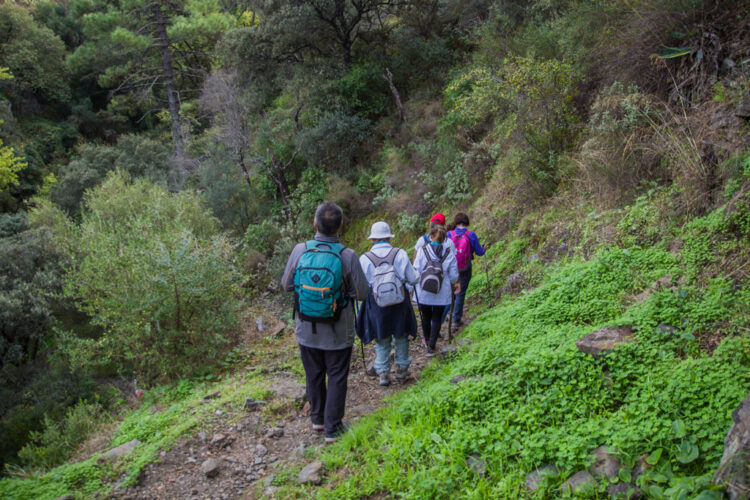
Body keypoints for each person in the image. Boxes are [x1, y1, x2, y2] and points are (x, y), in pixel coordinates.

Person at [281, 201, 369, 443]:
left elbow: (286, 285)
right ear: (341, 225)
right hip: (338, 332)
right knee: (337, 375)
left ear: (315, 223)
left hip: (306, 329)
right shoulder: (348, 256)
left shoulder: (300, 250)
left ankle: (317, 420)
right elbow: (362, 293)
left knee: (314, 374)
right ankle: (333, 427)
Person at [356, 221, 419, 387]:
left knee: (381, 339)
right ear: (389, 237)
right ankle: (402, 371)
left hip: (377, 305)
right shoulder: (400, 253)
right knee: (401, 336)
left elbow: (361, 287)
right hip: (399, 303)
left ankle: (383, 373)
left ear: (372, 239)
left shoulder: (364, 258)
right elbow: (413, 278)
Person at [412, 224, 459, 357]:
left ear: (430, 236)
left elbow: (416, 269)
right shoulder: (449, 252)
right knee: (437, 317)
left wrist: (411, 286)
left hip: (424, 290)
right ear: (444, 239)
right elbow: (454, 275)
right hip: (441, 291)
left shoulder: (423, 250)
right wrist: (451, 281)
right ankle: (432, 346)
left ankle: (427, 342)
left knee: (425, 316)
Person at [447, 213, 486, 326]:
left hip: (450, 268)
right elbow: (479, 252)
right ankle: (456, 320)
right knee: (461, 293)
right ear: (466, 222)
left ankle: (449, 313)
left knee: (450, 291)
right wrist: (484, 249)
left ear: (456, 221)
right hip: (465, 268)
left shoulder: (449, 234)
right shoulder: (471, 235)